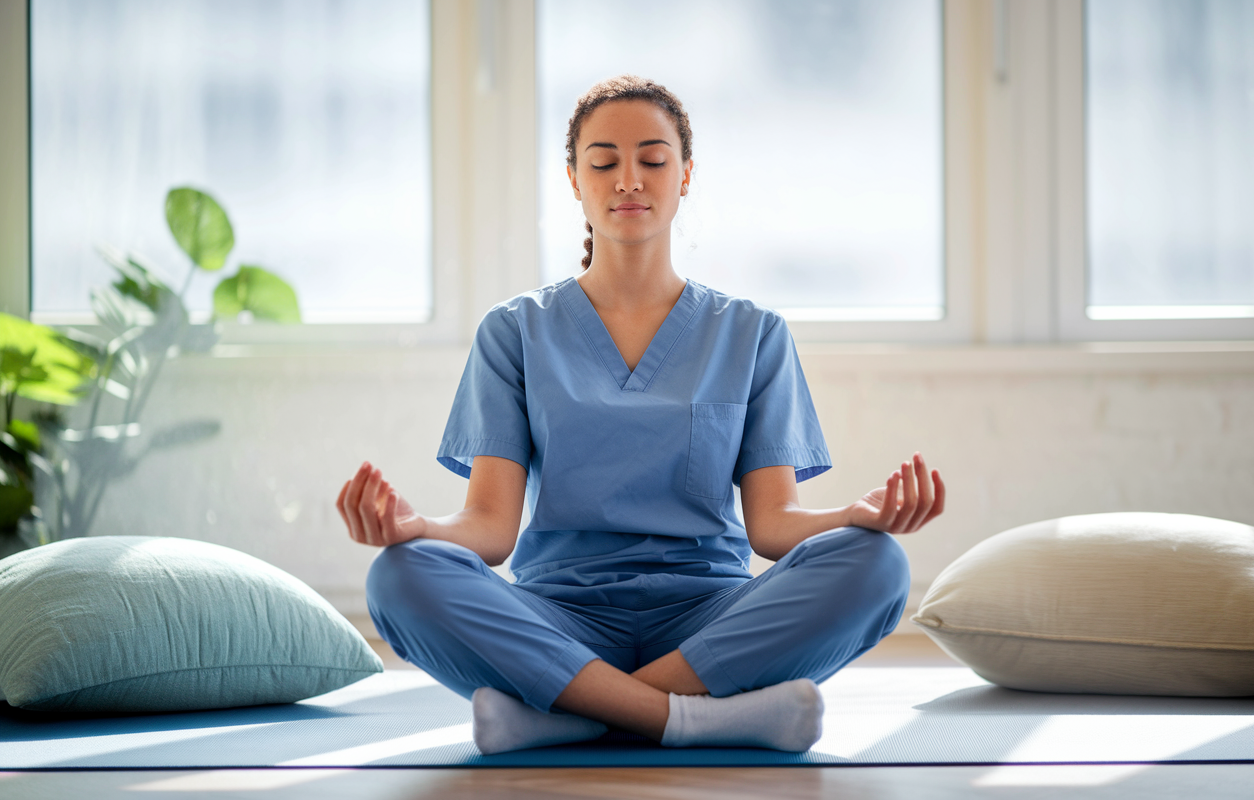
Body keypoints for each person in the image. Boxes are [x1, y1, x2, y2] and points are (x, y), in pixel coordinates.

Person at [337, 75, 945, 755]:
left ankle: (573, 710)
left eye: (653, 160)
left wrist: (853, 518)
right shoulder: (514, 332)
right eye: (603, 162)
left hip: (708, 619)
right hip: (558, 614)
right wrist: (413, 528)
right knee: (399, 576)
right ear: (574, 180)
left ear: (686, 176)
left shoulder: (752, 333)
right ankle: (694, 716)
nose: (629, 179)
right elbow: (490, 529)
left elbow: (773, 527)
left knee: (877, 566)